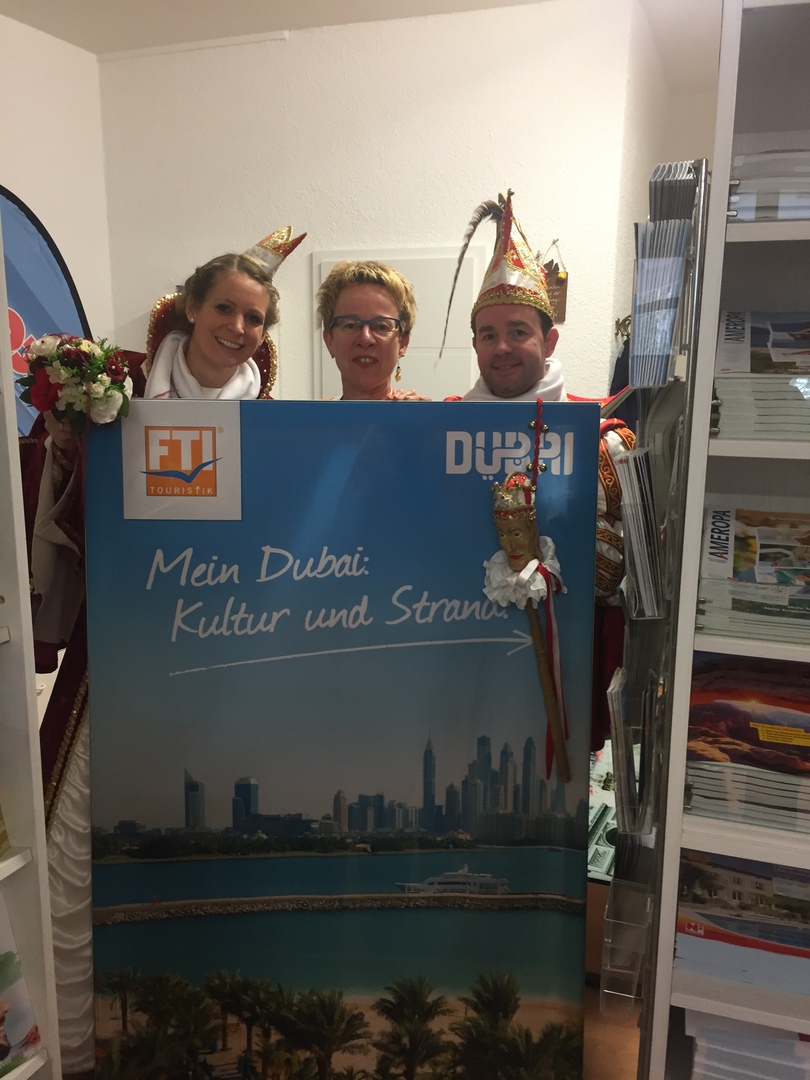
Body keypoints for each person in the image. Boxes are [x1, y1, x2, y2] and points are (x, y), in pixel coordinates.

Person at [19, 225, 304, 1079]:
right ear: (189, 308)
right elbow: (62, 508)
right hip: (119, 656)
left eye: (255, 318)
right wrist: (64, 447)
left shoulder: (274, 425)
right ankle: (70, 1048)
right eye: (226, 309)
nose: (239, 329)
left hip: (219, 669)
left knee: (203, 846)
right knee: (70, 848)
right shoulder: (114, 396)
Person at [445, 190, 635, 751]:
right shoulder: (438, 427)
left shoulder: (602, 439)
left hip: (555, 667)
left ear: (549, 339)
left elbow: (615, 576)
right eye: (488, 334)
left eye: (518, 331)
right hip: (451, 658)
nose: (502, 347)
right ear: (475, 344)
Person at [316, 260, 428, 400]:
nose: (365, 339)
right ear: (329, 341)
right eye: (351, 325)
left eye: (381, 326)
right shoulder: (311, 414)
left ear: (403, 343)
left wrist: (422, 414)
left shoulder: (426, 414)